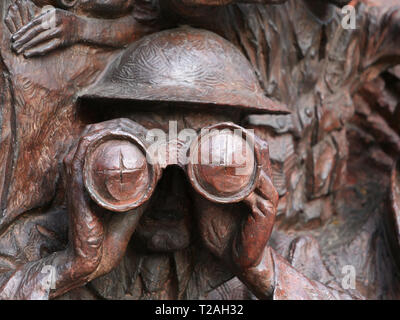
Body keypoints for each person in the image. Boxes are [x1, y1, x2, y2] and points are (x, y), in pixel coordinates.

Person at [0, 27, 361, 300]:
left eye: (212, 161)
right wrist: (70, 268)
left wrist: (260, 271)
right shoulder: (37, 246)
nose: (171, 187)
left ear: (247, 155)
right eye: (140, 156)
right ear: (98, 146)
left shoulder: (287, 255)